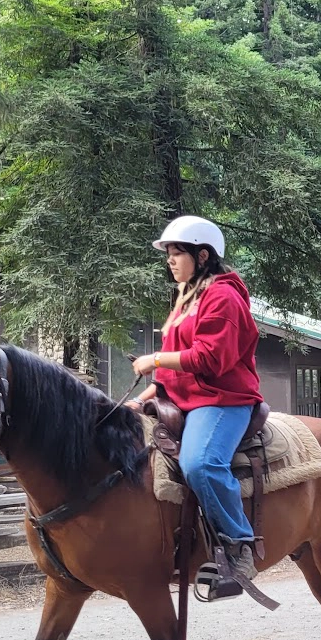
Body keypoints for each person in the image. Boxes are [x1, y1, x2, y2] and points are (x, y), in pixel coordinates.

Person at [126, 215, 263, 590]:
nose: (170, 261)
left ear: (202, 256)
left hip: (223, 399)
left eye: (176, 253)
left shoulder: (223, 296)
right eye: (167, 254)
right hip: (186, 399)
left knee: (200, 463)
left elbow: (209, 359)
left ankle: (239, 549)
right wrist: (143, 398)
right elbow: (175, 368)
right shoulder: (186, 297)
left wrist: (153, 359)